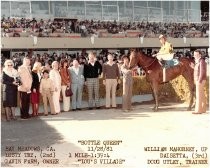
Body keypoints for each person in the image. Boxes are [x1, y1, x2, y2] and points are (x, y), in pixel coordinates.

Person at [192, 50, 207, 114]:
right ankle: (203, 109)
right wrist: (193, 67)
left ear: (200, 55)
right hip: (198, 79)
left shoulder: (201, 61)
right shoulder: (198, 61)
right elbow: (197, 70)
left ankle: (198, 110)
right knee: (202, 95)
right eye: (194, 55)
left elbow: (202, 71)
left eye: (196, 55)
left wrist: (199, 80)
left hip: (200, 80)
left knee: (198, 95)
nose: (195, 56)